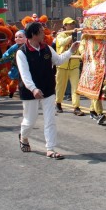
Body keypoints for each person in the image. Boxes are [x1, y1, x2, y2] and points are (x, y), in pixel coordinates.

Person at [16, 21, 79, 159]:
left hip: (48, 90)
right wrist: (33, 89)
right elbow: (25, 75)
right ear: (33, 34)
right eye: (41, 31)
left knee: (50, 120)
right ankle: (24, 137)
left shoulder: (47, 48)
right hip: (30, 92)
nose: (44, 34)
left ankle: (50, 148)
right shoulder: (22, 52)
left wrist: (70, 51)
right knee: (29, 121)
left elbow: (58, 60)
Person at [55, 17, 84, 115]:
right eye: (69, 24)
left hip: (74, 65)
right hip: (62, 65)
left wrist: (83, 54)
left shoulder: (77, 34)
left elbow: (80, 46)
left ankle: (76, 107)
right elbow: (62, 42)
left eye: (73, 24)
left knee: (76, 87)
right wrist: (72, 36)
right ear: (65, 26)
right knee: (60, 86)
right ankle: (58, 103)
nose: (71, 26)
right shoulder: (60, 35)